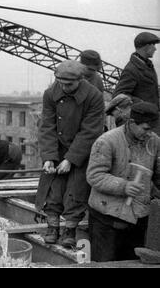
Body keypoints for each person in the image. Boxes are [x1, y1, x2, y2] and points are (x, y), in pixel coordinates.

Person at [35, 60, 105, 248]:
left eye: (69, 84)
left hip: (82, 149)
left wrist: (71, 159)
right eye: (61, 83)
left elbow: (90, 131)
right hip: (57, 147)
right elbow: (47, 126)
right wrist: (49, 156)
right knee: (53, 187)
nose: (64, 87)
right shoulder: (50, 93)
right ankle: (52, 227)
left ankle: (70, 230)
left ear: (80, 80)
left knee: (77, 189)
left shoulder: (94, 96)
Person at [86, 102, 160, 262]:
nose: (149, 133)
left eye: (152, 129)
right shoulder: (107, 141)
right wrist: (124, 186)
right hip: (107, 220)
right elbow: (94, 175)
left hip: (138, 220)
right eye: (146, 129)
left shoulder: (154, 141)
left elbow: (158, 175)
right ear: (132, 123)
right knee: (105, 264)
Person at [113, 32, 160, 132]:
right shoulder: (132, 69)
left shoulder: (146, 65)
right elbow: (119, 94)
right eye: (153, 45)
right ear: (147, 46)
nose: (155, 49)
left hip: (151, 119)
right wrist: (142, 104)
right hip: (142, 121)